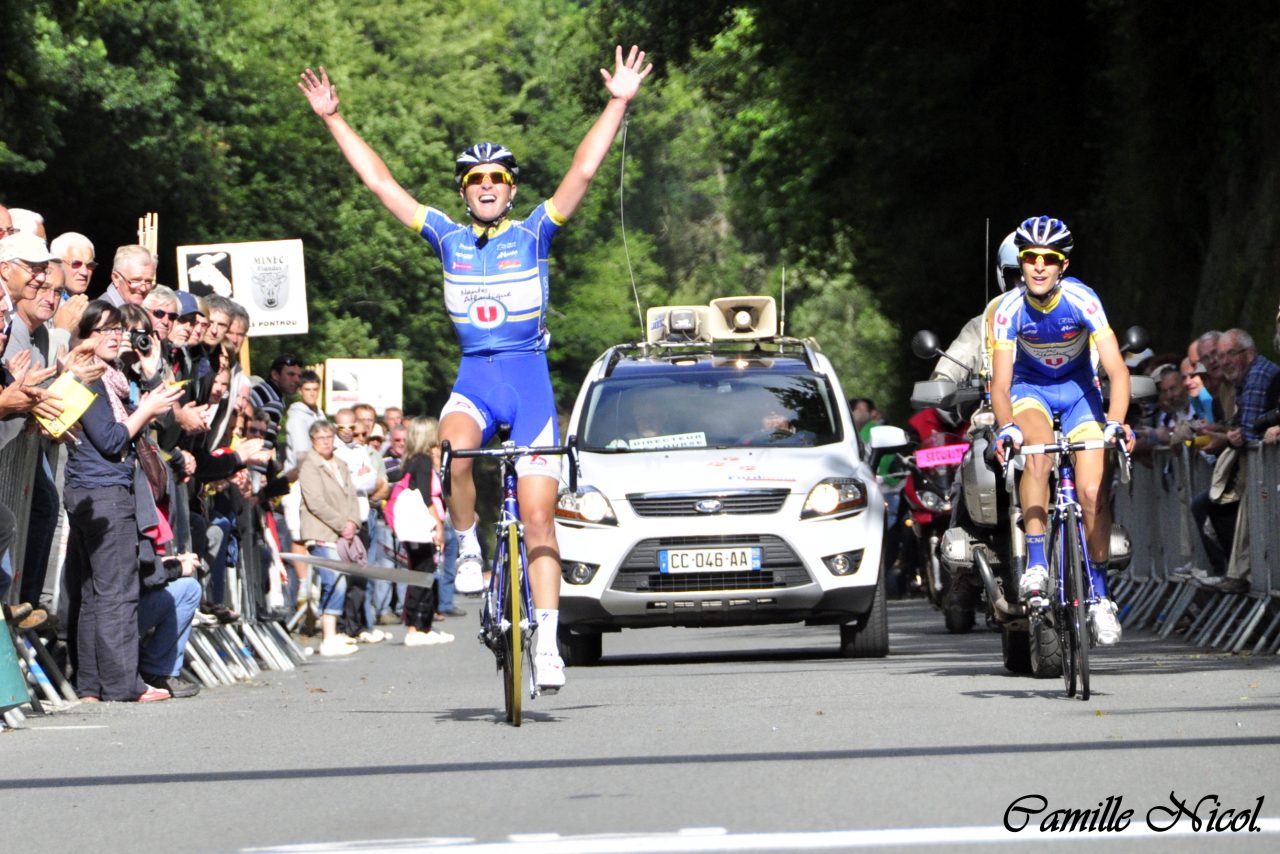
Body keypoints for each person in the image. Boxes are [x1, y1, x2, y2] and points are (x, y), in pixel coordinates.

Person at [299, 45, 652, 690]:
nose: (486, 187)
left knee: (542, 519)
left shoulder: (535, 232)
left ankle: (547, 643)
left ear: (510, 189)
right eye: (474, 181)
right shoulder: (445, 237)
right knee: (452, 451)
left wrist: (618, 101)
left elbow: (583, 169)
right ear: (464, 192)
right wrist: (333, 119)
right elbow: (382, 183)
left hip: (530, 384)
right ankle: (466, 543)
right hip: (477, 379)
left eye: (496, 179)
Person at [991, 216, 1134, 647]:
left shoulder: (1083, 300)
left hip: (1078, 395)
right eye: (1030, 258)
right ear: (1021, 262)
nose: (1037, 266)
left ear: (1062, 265)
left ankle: (1100, 597)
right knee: (1037, 452)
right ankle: (1036, 562)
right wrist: (1006, 428)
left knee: (1092, 494)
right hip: (1030, 392)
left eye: (1047, 259)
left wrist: (1116, 421)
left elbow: (1117, 370)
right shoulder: (1009, 311)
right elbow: (999, 384)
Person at [64, 301, 186, 701]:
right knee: (116, 592)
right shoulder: (91, 380)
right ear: (86, 335)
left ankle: (92, 686)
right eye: (103, 330)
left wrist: (151, 383)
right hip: (102, 492)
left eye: (117, 329)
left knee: (95, 593)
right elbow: (112, 440)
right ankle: (123, 684)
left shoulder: (107, 377)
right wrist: (148, 410)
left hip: (90, 490)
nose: (114, 336)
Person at [296, 420, 359, 657]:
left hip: (343, 533)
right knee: (334, 580)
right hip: (320, 533)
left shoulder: (341, 464)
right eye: (321, 438)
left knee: (341, 578)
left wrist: (353, 522)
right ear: (313, 441)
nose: (326, 442)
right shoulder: (309, 466)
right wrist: (342, 524)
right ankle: (328, 636)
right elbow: (315, 502)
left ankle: (333, 632)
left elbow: (352, 496)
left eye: (329, 437)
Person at [398, 417, 453, 646]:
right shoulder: (421, 461)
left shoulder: (414, 460)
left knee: (425, 572)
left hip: (419, 525)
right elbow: (424, 496)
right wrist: (437, 525)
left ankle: (424, 625)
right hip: (422, 525)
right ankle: (414, 626)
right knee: (422, 573)